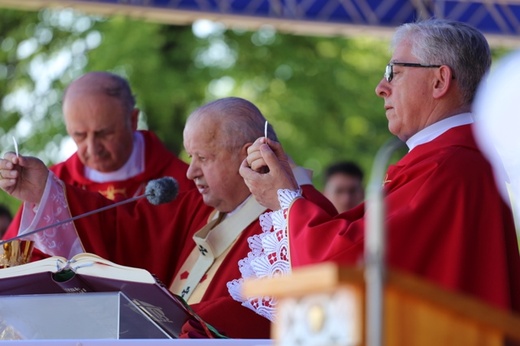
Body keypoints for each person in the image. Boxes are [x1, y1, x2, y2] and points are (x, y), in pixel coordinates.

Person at [239, 19, 520, 313]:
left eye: (394, 72)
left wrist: (283, 199)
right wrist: (293, 186)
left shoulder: (446, 166)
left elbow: (346, 261)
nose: (380, 88)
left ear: (439, 81)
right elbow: (362, 236)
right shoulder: (457, 160)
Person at [0, 97, 336, 338]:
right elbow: (124, 231)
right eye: (190, 157)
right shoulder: (200, 206)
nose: (190, 173)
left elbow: (277, 316)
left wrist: (186, 322)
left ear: (251, 152)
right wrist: (42, 188)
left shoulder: (302, 215)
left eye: (203, 157)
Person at [1, 71, 194, 245]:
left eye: (104, 133)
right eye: (80, 136)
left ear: (133, 120)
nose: (93, 149)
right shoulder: (50, 184)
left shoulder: (182, 183)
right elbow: (15, 262)